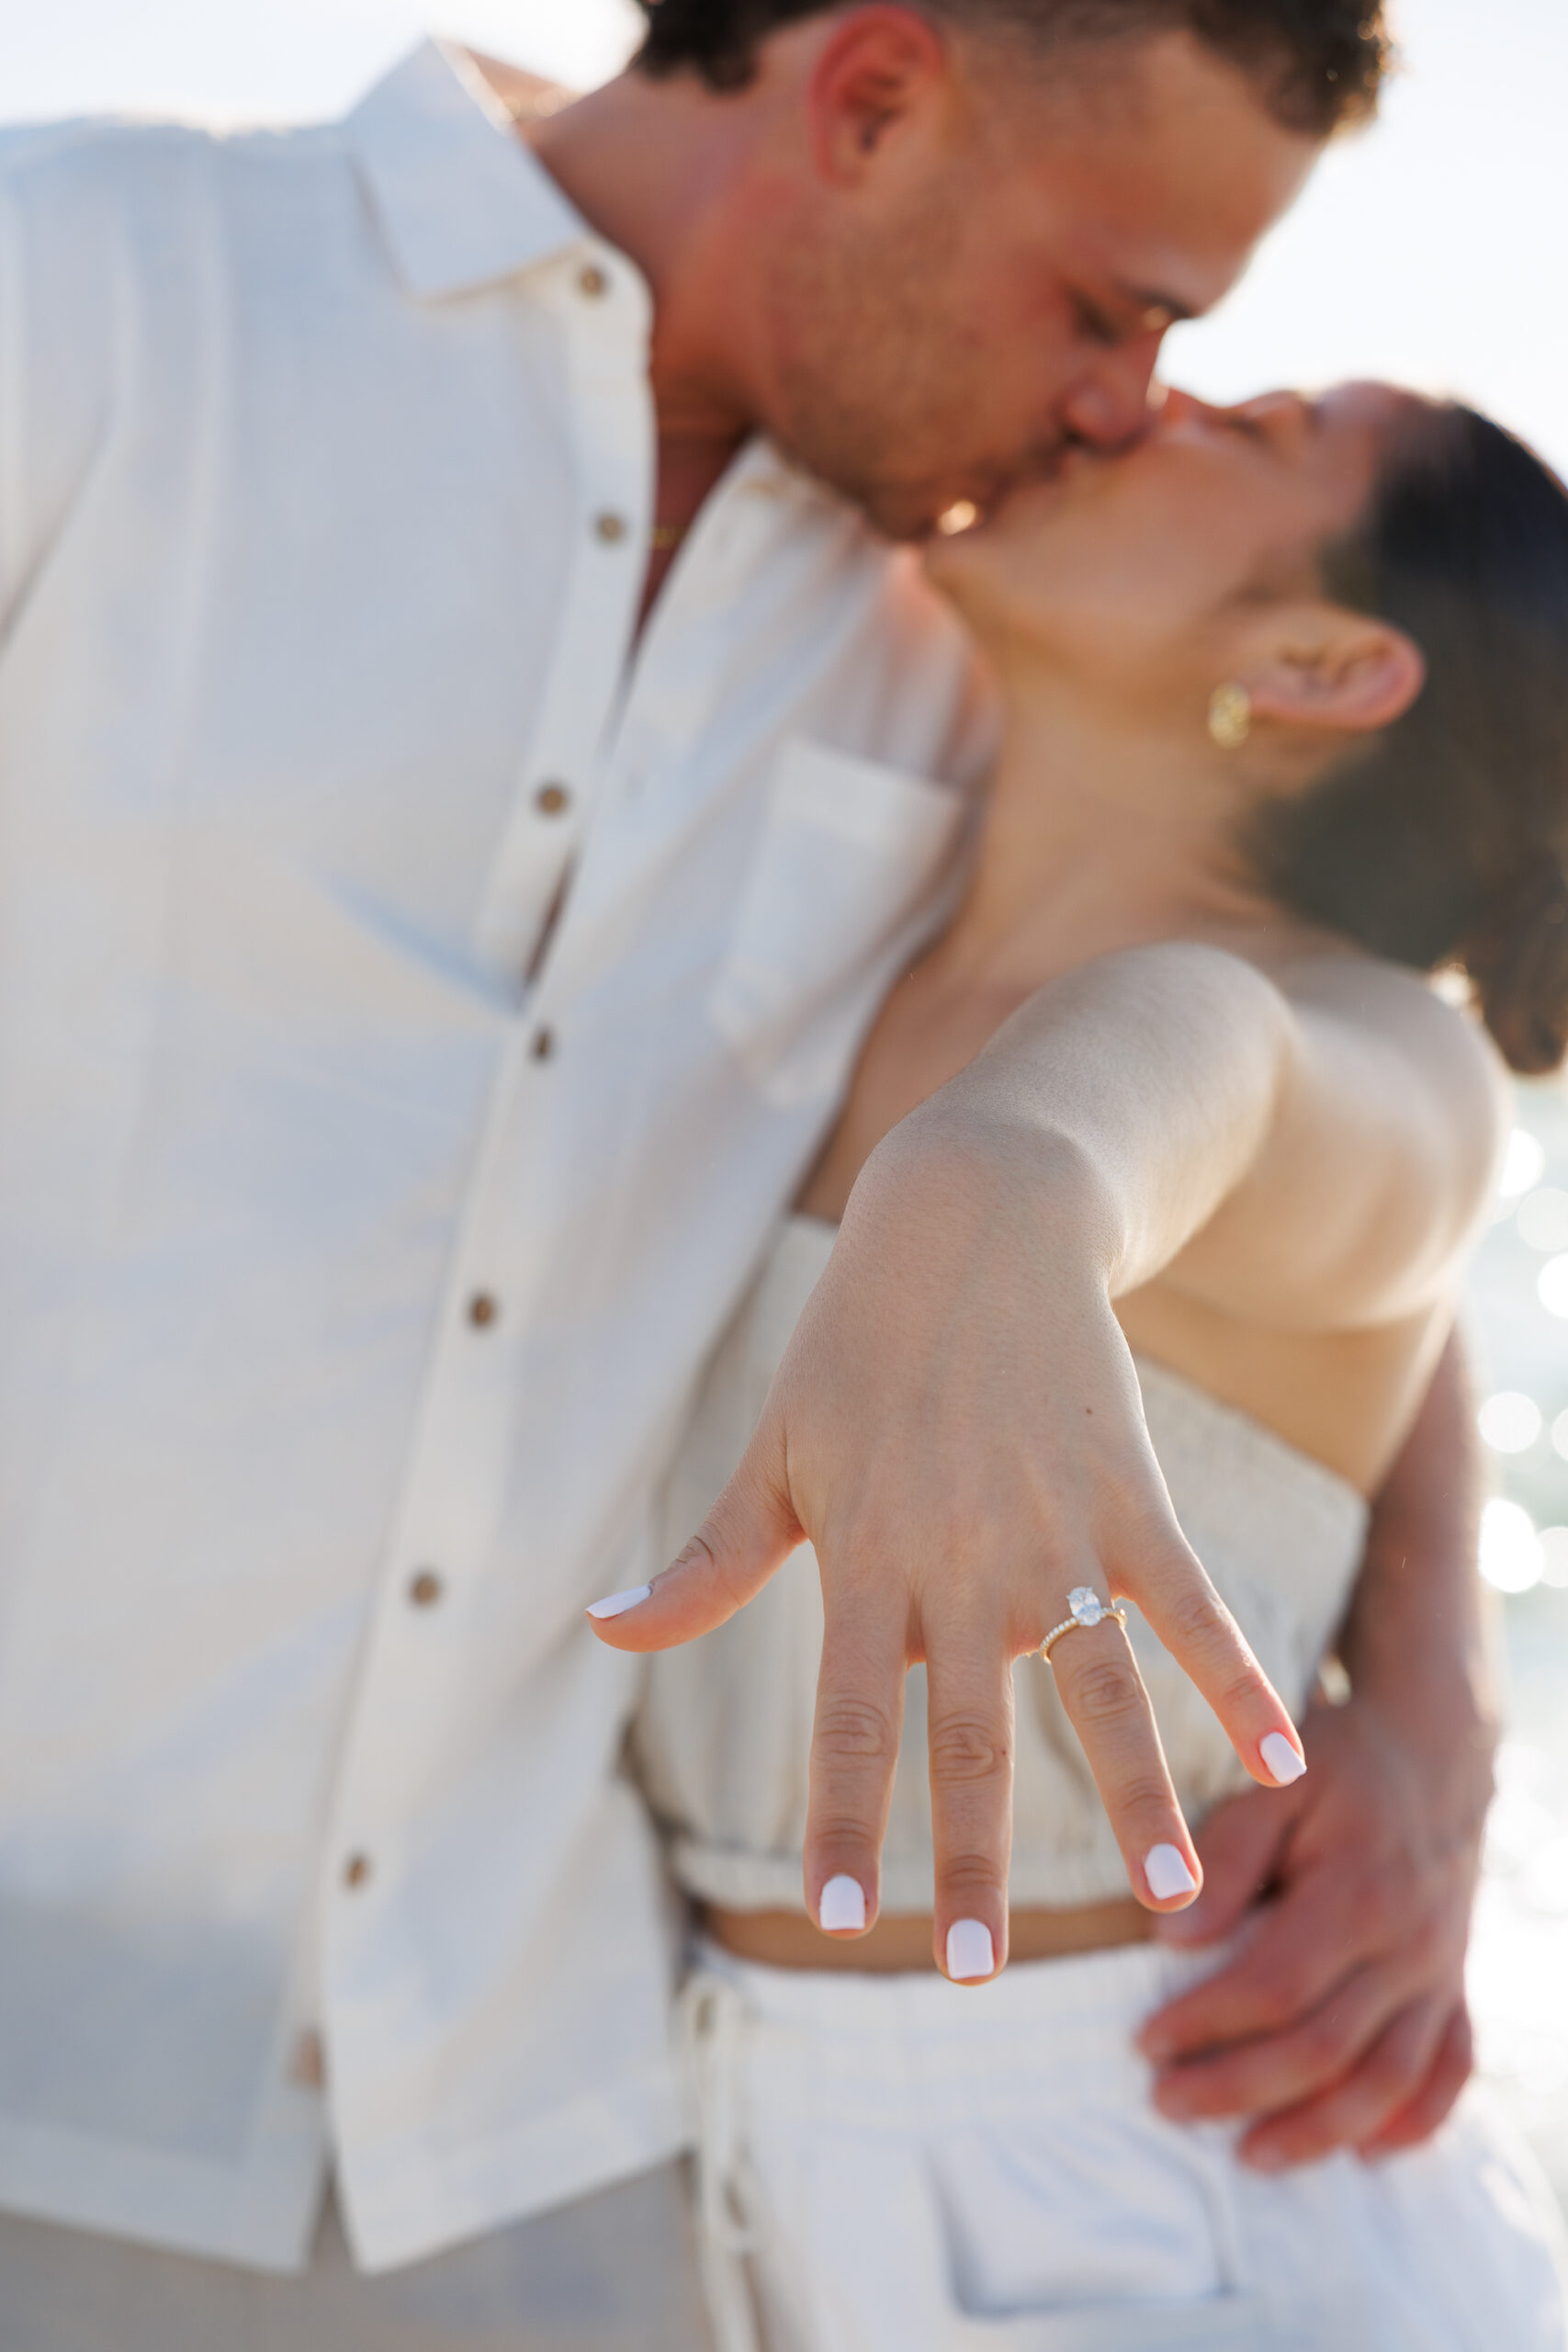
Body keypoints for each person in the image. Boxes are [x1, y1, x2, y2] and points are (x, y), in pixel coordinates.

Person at [0, 1, 1496, 2341]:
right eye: (1113, 308)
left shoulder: (952, 626)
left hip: (567, 2131)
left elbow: (1254, 1104)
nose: (1118, 399)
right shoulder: (93, 286)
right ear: (872, 97)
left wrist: (1427, 1688)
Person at [619, 383, 1568, 2348]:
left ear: (1313, 662)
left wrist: (1018, 1161)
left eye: (1258, 417)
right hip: (741, 2141)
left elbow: (1218, 1065)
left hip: (1176, 2157)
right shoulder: (881, 895)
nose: (1143, 394)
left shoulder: (1385, 1056)